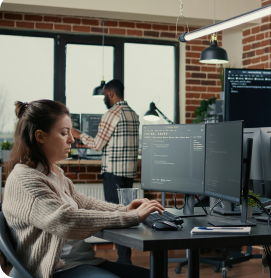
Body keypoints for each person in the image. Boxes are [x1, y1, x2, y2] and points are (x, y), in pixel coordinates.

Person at [3, 100, 164, 278]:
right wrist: (129, 217)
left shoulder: (53, 172)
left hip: (83, 262)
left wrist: (124, 208)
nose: (72, 139)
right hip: (56, 270)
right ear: (40, 136)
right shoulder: (25, 180)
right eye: (64, 133)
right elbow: (65, 220)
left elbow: (83, 203)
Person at [71, 79, 140, 264]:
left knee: (116, 216)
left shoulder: (111, 114)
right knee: (126, 213)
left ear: (111, 93)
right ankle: (126, 259)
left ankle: (123, 261)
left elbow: (97, 144)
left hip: (113, 172)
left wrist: (78, 134)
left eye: (103, 95)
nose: (103, 99)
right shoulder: (133, 114)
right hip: (129, 172)